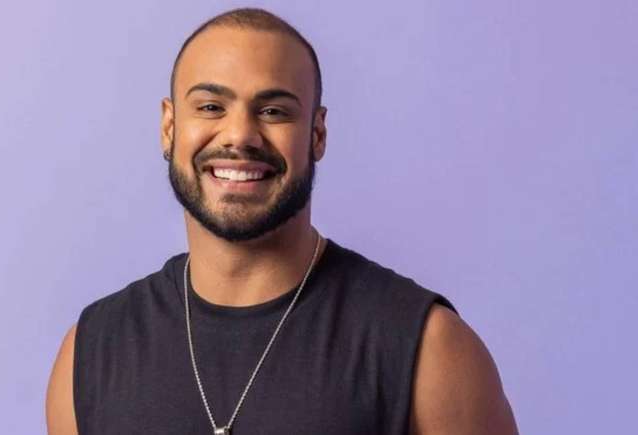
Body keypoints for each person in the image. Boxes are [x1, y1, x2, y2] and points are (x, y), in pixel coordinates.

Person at [46, 7, 518, 435]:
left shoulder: (427, 348)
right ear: (169, 127)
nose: (239, 135)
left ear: (317, 134)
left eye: (273, 111)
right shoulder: (89, 353)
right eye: (210, 107)